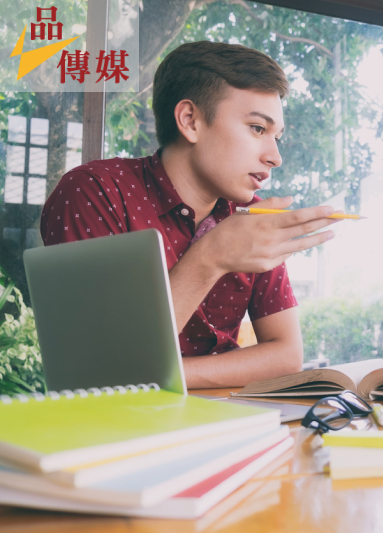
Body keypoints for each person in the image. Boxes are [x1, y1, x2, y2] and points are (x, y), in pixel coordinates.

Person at [41, 41, 340, 389]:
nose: (275, 156)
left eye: (277, 137)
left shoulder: (250, 215)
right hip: (115, 429)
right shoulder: (94, 192)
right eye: (258, 128)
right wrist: (212, 256)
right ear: (190, 120)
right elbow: (97, 370)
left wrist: (164, 376)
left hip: (222, 419)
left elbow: (286, 355)